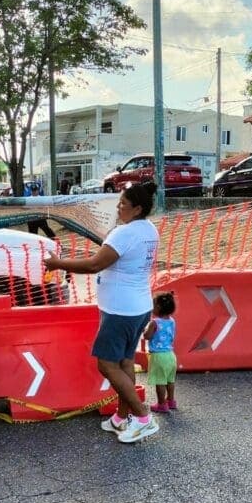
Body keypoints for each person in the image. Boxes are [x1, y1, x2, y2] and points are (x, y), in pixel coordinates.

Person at [43, 181, 160, 444]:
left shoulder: (125, 234)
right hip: (138, 306)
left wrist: (56, 262)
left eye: (124, 205)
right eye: (118, 202)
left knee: (107, 364)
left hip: (120, 310)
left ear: (138, 208)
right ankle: (122, 417)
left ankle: (143, 417)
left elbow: (95, 264)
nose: (119, 208)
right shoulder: (149, 229)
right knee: (124, 362)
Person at [144, 291, 177, 413]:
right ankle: (171, 401)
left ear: (157, 307)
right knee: (170, 380)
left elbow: (147, 336)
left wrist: (145, 329)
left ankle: (162, 404)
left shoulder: (154, 322)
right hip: (170, 355)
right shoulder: (172, 321)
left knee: (160, 382)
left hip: (158, 356)